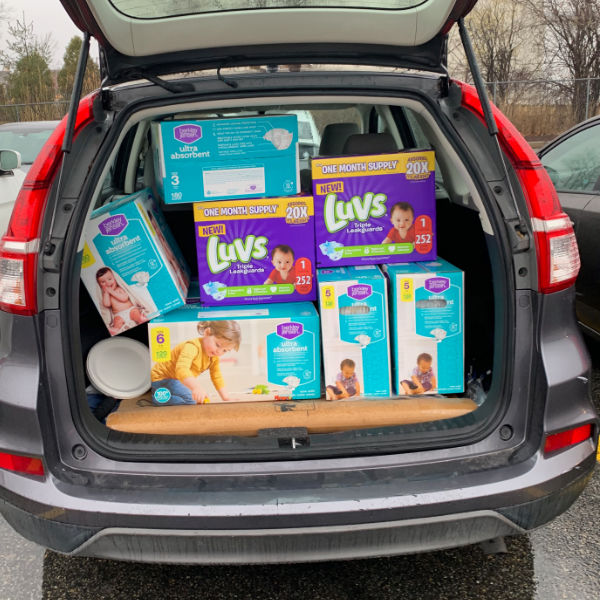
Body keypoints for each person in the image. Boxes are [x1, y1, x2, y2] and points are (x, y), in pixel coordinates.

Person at [151, 320, 241, 405]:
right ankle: (158, 398)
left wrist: (226, 398)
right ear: (207, 333)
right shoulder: (192, 347)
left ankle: (162, 395)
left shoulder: (214, 357)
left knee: (196, 398)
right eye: (217, 345)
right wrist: (196, 387)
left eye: (225, 350)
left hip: (176, 380)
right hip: (160, 378)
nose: (219, 352)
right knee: (191, 400)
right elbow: (181, 370)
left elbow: (216, 376)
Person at [95, 267, 148, 334]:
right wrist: (106, 293)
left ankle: (140, 319)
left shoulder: (119, 289)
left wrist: (111, 291)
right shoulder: (106, 294)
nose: (107, 283)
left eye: (109, 279)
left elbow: (124, 298)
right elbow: (106, 304)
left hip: (130, 309)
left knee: (135, 313)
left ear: (115, 278)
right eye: (103, 282)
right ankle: (115, 329)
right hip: (118, 314)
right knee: (117, 321)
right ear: (100, 285)